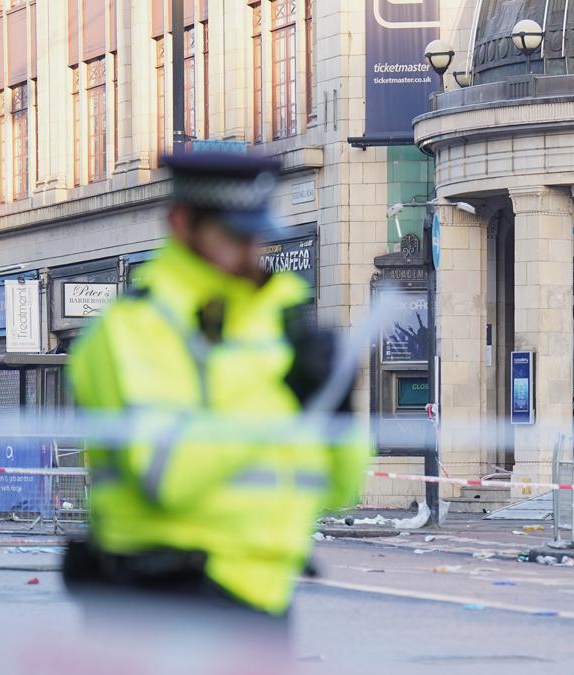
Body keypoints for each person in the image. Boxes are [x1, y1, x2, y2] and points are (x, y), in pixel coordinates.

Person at [62, 152, 371, 642]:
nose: (251, 254)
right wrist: (286, 394)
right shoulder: (137, 329)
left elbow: (341, 490)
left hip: (261, 594)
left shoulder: (274, 319)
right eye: (233, 236)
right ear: (182, 224)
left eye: (258, 236)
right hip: (163, 596)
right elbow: (167, 476)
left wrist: (339, 407)